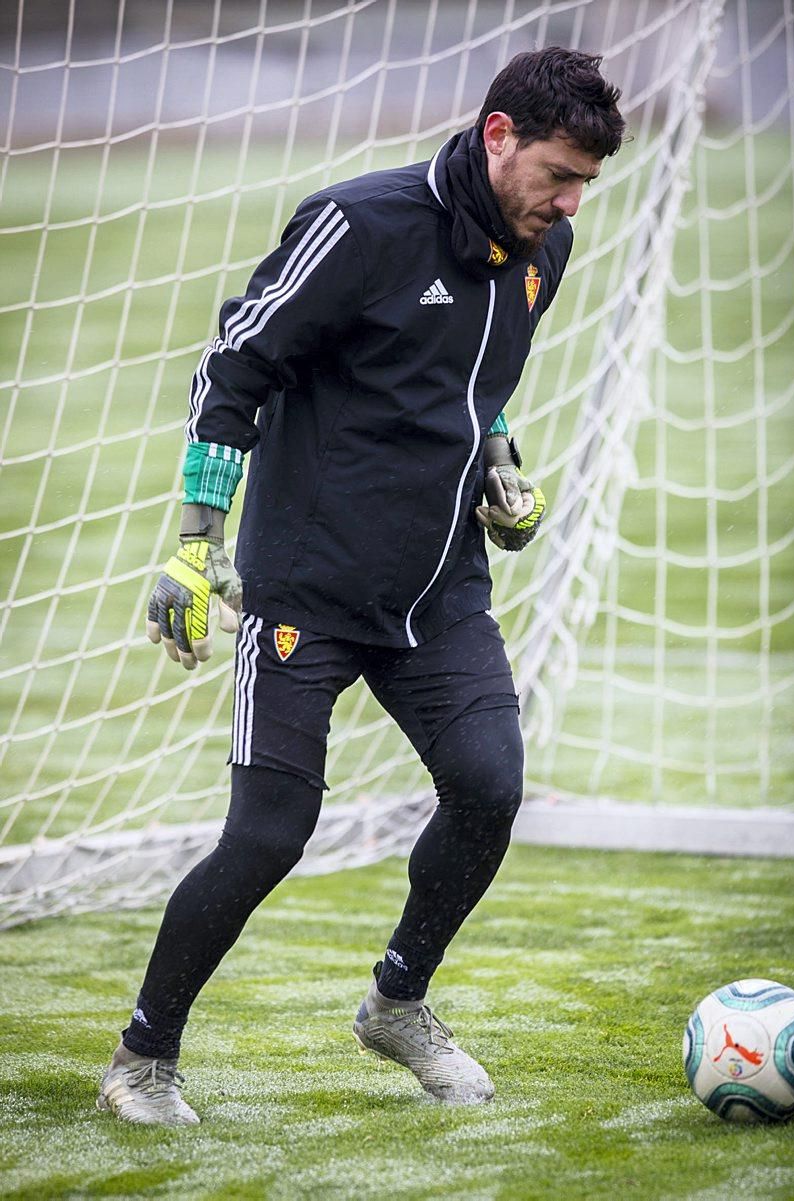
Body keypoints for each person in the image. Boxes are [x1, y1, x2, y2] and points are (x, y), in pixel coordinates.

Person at [97, 46, 625, 1125]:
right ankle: (142, 1059)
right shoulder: (357, 224)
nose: (569, 201)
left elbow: (474, 385)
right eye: (557, 174)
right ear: (496, 136)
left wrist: (498, 467)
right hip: (306, 592)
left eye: (583, 184)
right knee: (268, 834)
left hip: (438, 596)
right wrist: (197, 543)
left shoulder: (543, 246)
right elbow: (233, 365)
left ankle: (397, 1003)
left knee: (487, 787)